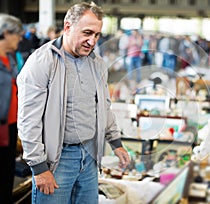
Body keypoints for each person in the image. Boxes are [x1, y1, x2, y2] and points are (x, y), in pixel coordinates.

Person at [17, 2, 130, 204]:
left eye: (96, 35)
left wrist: (116, 142)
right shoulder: (42, 62)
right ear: (68, 27)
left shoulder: (96, 63)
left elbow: (104, 107)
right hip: (57, 161)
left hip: (89, 156)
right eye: (87, 33)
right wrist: (39, 168)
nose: (92, 41)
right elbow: (28, 120)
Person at [0, 13, 23, 204]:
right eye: (18, 35)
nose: (20, 39)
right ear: (6, 33)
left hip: (10, 126)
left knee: (7, 175)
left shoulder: (11, 59)